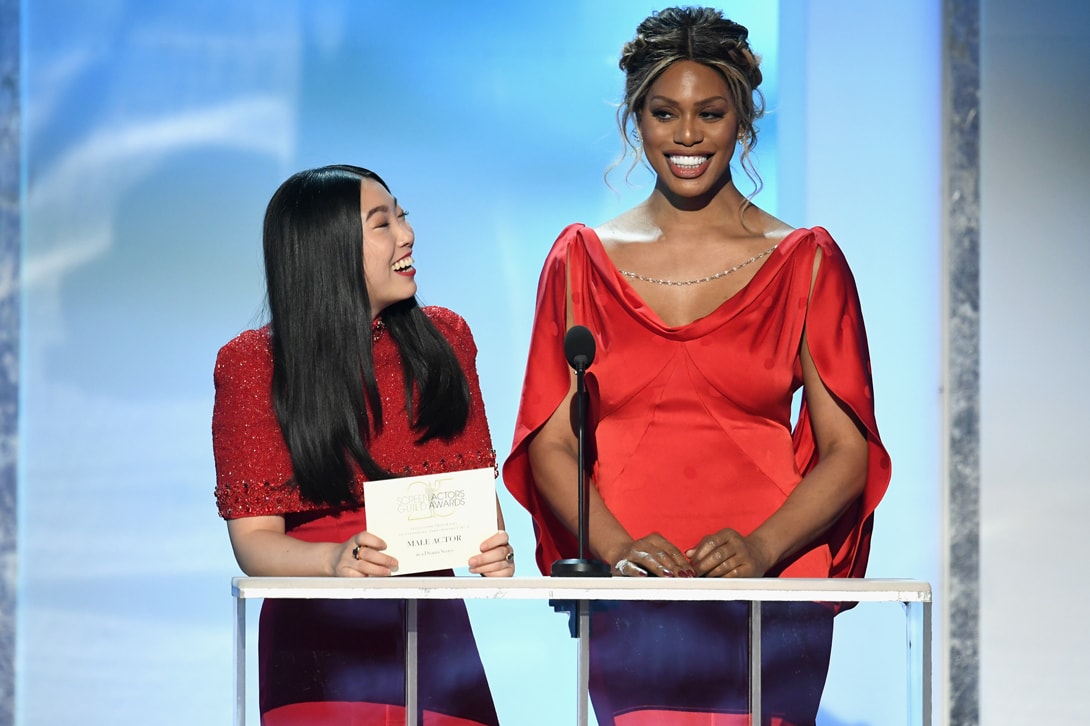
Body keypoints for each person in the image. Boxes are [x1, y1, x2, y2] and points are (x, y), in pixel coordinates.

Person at [503, 7, 891, 725]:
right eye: (664, 113)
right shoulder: (576, 261)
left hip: (773, 587)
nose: (686, 135)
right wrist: (618, 552)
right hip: (633, 594)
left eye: (709, 113)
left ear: (743, 120)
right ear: (636, 119)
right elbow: (549, 440)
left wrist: (762, 548)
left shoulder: (807, 262)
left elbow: (848, 451)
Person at [212, 164, 513, 726]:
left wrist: (493, 549)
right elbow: (254, 543)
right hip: (317, 642)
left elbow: (477, 505)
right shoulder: (253, 366)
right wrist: (332, 559)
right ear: (329, 252)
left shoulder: (444, 340)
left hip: (433, 637)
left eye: (402, 215)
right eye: (382, 223)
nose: (407, 234)